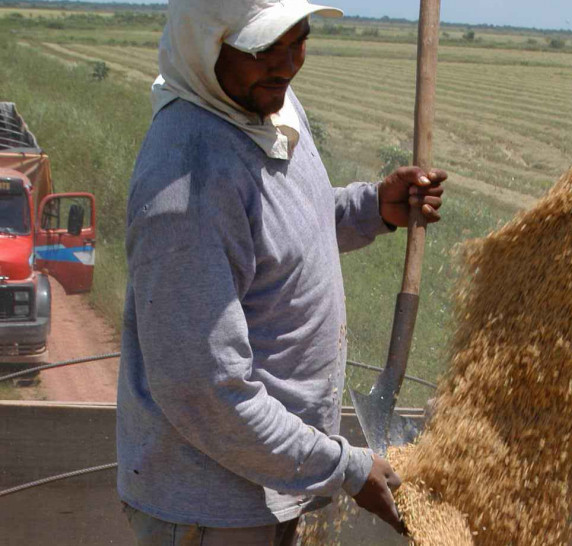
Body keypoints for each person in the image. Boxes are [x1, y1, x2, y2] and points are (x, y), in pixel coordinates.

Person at [115, 0, 446, 544]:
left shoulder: (270, 104)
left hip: (276, 480)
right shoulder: (187, 184)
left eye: (299, 40)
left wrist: (373, 208)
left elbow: (284, 226)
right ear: (205, 42)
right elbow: (208, 393)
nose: (288, 64)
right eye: (265, 47)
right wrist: (345, 468)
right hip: (213, 508)